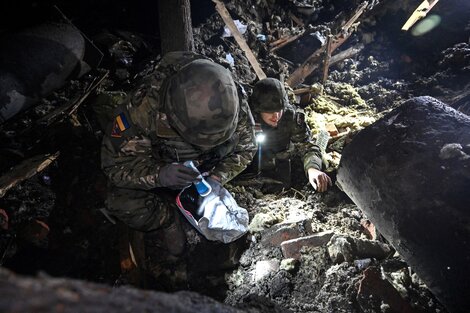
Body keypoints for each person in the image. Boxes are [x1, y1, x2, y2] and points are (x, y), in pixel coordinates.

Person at [100, 51, 257, 268]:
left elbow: (247, 149)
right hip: (158, 165)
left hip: (202, 172)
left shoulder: (229, 100)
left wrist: (217, 178)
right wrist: (159, 176)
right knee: (120, 201)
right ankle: (168, 219)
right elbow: (114, 167)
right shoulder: (142, 111)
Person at [245, 77, 331, 192]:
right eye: (269, 111)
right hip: (249, 165)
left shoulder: (290, 117)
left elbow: (307, 147)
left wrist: (312, 169)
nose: (276, 116)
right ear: (258, 109)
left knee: (322, 164)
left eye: (279, 110)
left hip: (281, 164)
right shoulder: (246, 118)